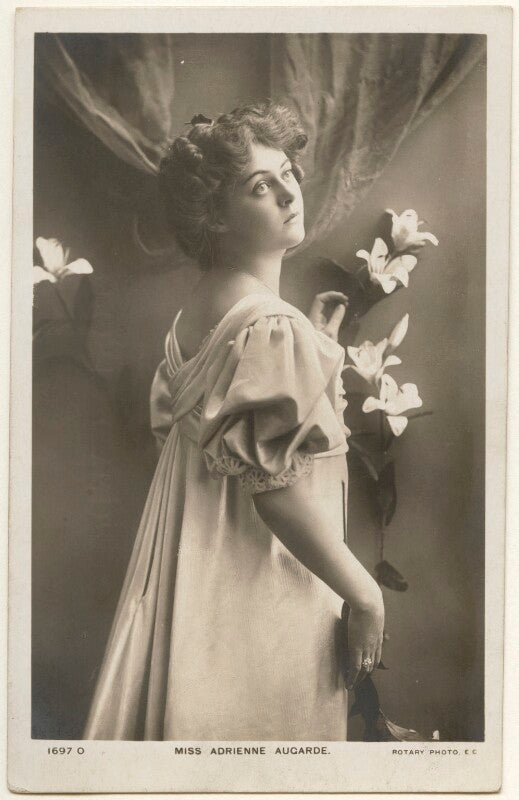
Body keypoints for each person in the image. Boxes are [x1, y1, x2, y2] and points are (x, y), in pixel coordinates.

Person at [83, 101, 384, 741]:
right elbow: (276, 494)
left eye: (288, 173)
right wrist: (364, 594)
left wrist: (311, 344)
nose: (288, 192)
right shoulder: (270, 324)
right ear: (214, 216)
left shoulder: (202, 313)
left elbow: (220, 428)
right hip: (259, 583)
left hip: (201, 577)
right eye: (259, 186)